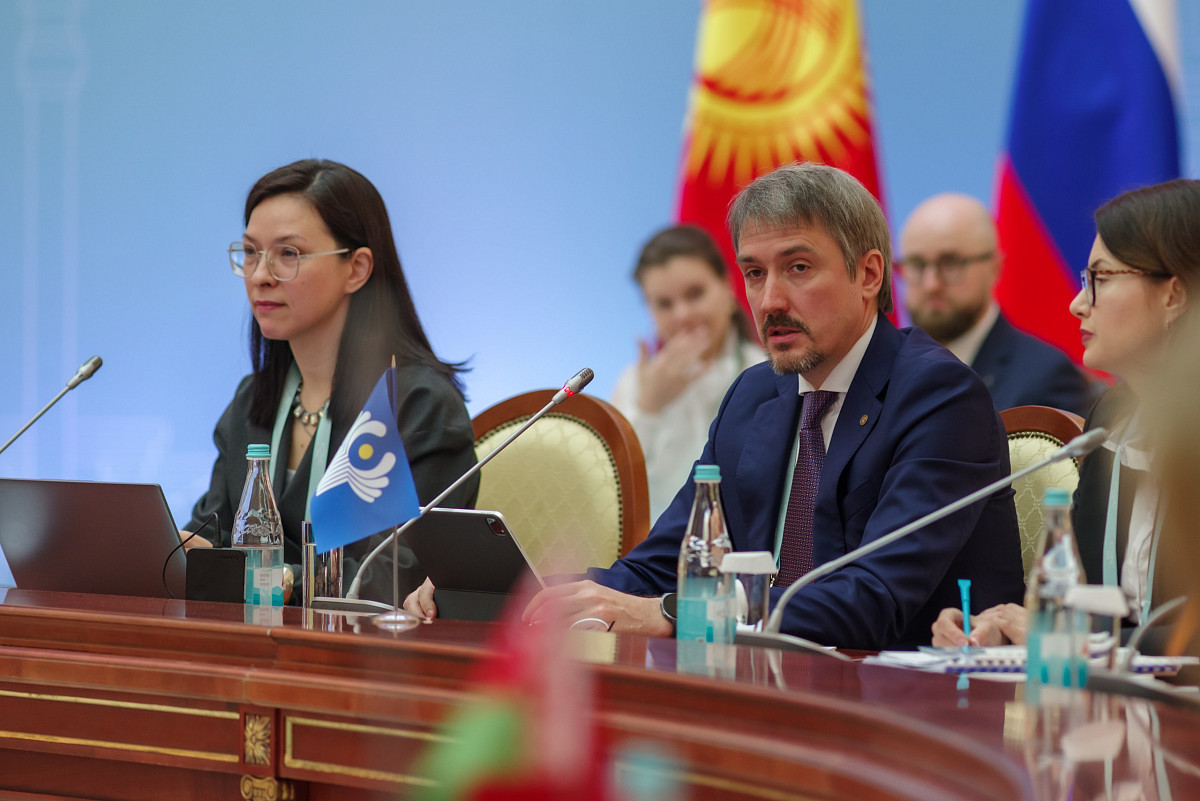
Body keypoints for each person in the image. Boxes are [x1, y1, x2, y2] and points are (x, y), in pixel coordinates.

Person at [410, 163, 1025, 650]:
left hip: (910, 713)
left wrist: (677, 615)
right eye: (754, 274)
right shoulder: (756, 396)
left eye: (798, 267)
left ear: (869, 275)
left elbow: (869, 600)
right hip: (763, 690)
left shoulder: (939, 397)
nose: (770, 300)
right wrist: (515, 593)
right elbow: (658, 567)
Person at [183, 159, 478, 604]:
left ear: (356, 268)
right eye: (250, 252)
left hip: (362, 645)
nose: (259, 276)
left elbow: (399, 574)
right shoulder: (252, 400)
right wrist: (173, 551)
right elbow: (213, 536)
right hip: (249, 640)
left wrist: (276, 581)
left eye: (288, 254)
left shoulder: (418, 405)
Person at [932, 179, 1198, 649]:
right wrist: (1003, 630)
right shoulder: (1112, 419)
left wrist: (1076, 639)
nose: (1077, 304)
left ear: (1173, 296)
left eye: (1101, 279)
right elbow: (1071, 605)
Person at [610, 225, 764, 522]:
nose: (682, 314)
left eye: (695, 294)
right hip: (649, 547)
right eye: (664, 304)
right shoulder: (633, 383)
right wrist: (649, 407)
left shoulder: (767, 375)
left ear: (727, 287)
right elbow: (609, 491)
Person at [899, 193, 1091, 415]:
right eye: (917, 264)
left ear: (994, 267)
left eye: (950, 263)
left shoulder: (1046, 377)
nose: (931, 284)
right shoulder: (884, 372)